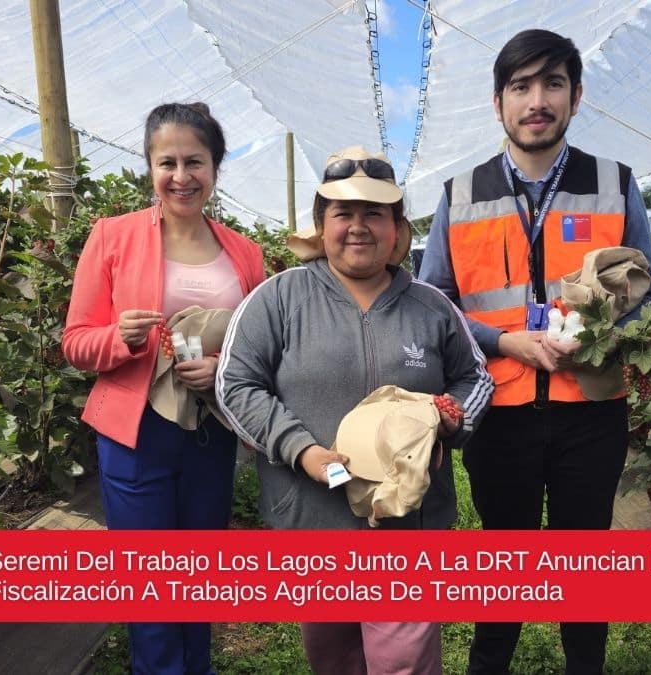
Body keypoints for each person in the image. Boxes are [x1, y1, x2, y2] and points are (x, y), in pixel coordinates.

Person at [418, 29, 651, 675]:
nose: (537, 99)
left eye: (552, 83)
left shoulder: (614, 183)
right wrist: (506, 340)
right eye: (521, 86)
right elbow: (436, 303)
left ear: (575, 96)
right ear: (497, 101)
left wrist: (599, 332)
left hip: (592, 408)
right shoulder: (459, 194)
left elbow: (650, 290)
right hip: (501, 409)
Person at [216, 146, 493, 675]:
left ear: (397, 228)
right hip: (313, 519)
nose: (359, 227)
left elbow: (475, 377)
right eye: (344, 214)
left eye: (376, 214)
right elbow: (237, 384)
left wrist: (449, 419)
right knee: (333, 654)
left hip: (408, 520)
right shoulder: (278, 299)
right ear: (322, 226)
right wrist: (303, 451)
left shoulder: (431, 305)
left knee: (404, 657)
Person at [62, 102, 265, 675]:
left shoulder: (244, 254)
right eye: (166, 162)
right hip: (136, 434)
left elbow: (264, 346)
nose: (181, 176)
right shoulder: (113, 237)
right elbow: (75, 341)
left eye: (194, 161)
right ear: (149, 167)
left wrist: (224, 367)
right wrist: (119, 340)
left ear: (215, 167)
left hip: (211, 430)